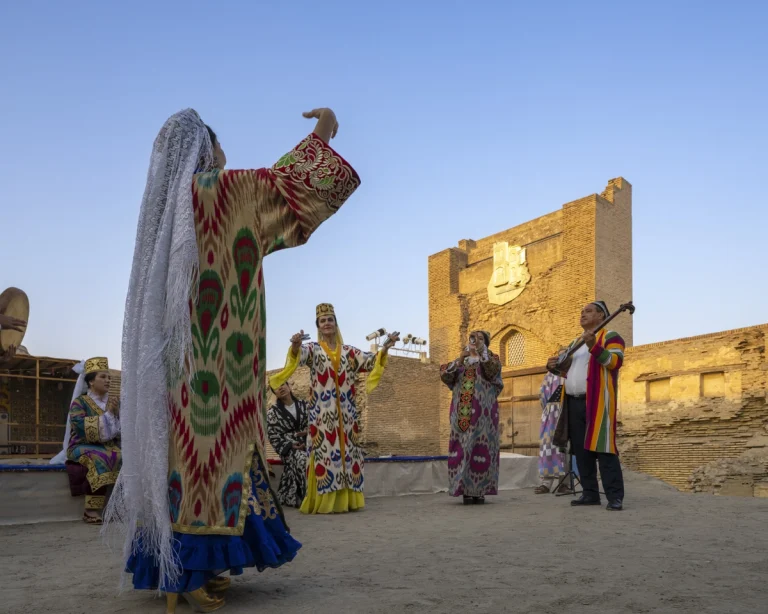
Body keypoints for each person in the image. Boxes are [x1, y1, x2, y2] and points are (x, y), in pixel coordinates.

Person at [105, 107, 360, 613]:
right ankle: (193, 571)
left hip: (176, 370)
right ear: (207, 150)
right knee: (215, 458)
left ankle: (181, 568)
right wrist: (325, 129)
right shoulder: (218, 191)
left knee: (182, 460)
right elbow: (292, 189)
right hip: (221, 363)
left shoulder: (160, 218)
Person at [270, 303, 397, 514]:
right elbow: (297, 356)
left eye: (330, 319)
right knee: (325, 455)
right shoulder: (314, 350)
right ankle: (324, 502)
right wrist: (294, 345)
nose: (327, 323)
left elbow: (371, 362)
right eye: (322, 321)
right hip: (322, 416)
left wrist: (385, 347)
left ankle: (348, 501)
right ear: (318, 326)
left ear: (336, 324)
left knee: (348, 455)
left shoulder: (349, 352)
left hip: (347, 416)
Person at [548, 301, 626, 511]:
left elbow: (614, 362)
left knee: (604, 449)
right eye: (581, 311)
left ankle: (615, 496)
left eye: (589, 311)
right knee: (581, 452)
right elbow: (566, 372)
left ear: (601, 316)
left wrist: (594, 346)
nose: (583, 314)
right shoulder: (576, 341)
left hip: (598, 402)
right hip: (573, 402)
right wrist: (553, 366)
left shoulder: (611, 337)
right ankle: (590, 493)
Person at [440, 330, 503, 504]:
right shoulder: (461, 361)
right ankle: (464, 489)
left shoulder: (492, 359)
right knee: (463, 448)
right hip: (463, 413)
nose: (476, 341)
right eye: (474, 338)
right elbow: (445, 376)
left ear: (487, 343)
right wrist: (460, 359)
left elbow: (492, 373)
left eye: (481, 339)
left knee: (482, 448)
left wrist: (483, 353)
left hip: (485, 415)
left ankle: (480, 490)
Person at [64, 357, 121, 524]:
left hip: (108, 445)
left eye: (109, 377)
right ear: (90, 382)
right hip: (81, 445)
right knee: (101, 458)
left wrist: (117, 414)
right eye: (103, 377)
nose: (108, 380)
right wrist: (109, 415)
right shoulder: (79, 402)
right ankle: (90, 510)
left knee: (126, 458)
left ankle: (118, 509)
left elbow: (121, 429)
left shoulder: (114, 402)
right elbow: (81, 427)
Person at [267, 381, 309, 508]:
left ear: (289, 386)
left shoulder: (305, 405)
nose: (281, 388)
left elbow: (315, 424)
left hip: (309, 444)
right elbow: (273, 436)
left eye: (282, 385)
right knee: (301, 459)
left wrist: (307, 436)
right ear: (275, 394)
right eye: (276, 388)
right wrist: (290, 445)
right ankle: (305, 497)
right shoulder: (272, 413)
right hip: (289, 449)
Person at [534, 370, 570, 494]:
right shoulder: (550, 375)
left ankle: (564, 483)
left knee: (564, 449)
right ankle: (546, 483)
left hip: (566, 414)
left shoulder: (570, 371)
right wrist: (549, 411)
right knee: (547, 449)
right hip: (550, 417)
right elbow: (542, 394)